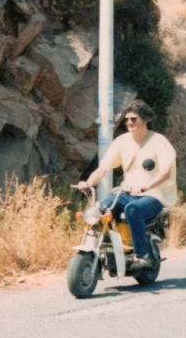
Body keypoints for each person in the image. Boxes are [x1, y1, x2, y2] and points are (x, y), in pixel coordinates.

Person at [74, 99, 177, 270]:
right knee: (99, 210)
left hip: (155, 195)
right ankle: (101, 248)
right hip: (128, 193)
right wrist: (88, 183)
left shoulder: (159, 141)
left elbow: (165, 171)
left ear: (145, 120)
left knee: (133, 210)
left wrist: (146, 186)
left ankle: (142, 256)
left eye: (134, 119)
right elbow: (103, 168)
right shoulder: (122, 141)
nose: (129, 122)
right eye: (127, 119)